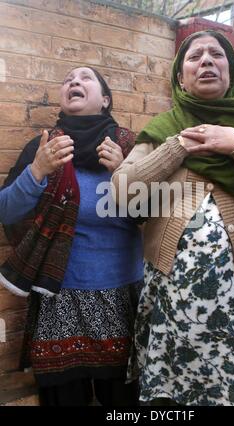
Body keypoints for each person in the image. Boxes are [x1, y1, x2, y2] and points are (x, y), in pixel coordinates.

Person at [112, 30, 234, 406]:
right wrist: (177, 146)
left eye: (217, 54)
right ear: (180, 77)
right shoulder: (163, 129)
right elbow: (122, 192)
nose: (207, 60)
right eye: (195, 56)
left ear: (232, 73)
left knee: (227, 388)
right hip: (169, 293)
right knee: (170, 394)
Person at [0, 67, 143, 406]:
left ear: (105, 99)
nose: (74, 82)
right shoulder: (43, 147)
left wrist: (124, 173)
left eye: (85, 77)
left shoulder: (130, 146)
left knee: (124, 403)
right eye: (68, 79)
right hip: (58, 299)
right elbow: (6, 212)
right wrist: (37, 171)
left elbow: (150, 217)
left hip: (121, 298)